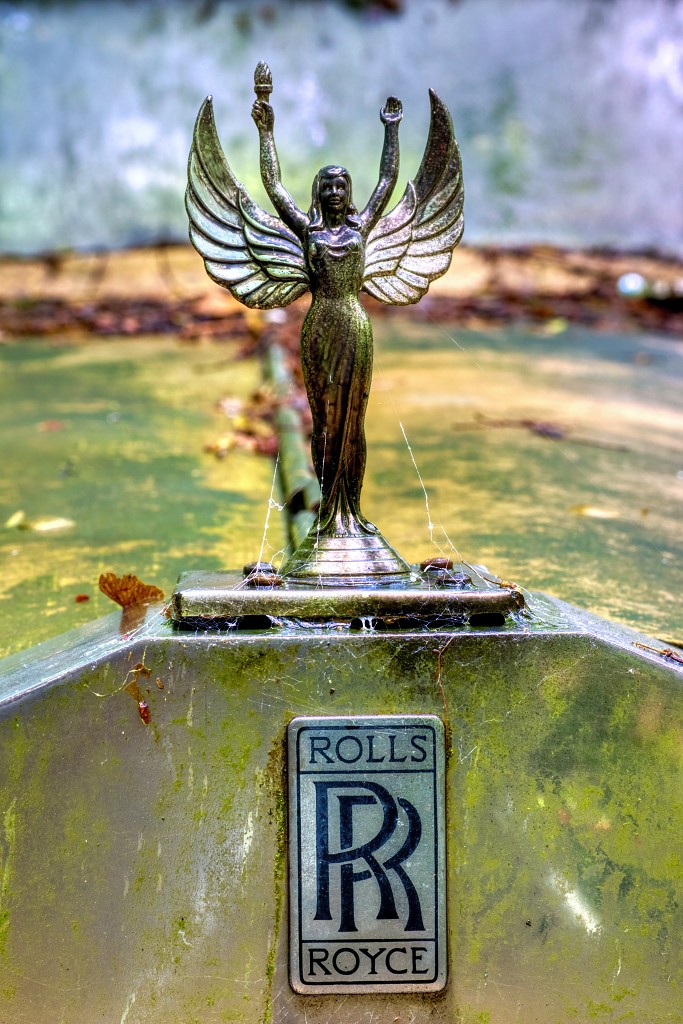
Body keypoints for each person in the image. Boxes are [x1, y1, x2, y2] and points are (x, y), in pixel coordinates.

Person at [251, 95, 403, 536]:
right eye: (328, 186)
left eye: (342, 185)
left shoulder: (362, 226)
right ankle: (325, 514)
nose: (336, 192)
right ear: (319, 192)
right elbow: (274, 187)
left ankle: (352, 512)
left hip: (354, 326)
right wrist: (266, 133)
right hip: (320, 329)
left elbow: (388, 180)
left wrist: (391, 129)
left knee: (353, 423)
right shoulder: (309, 230)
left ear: (348, 191)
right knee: (324, 424)